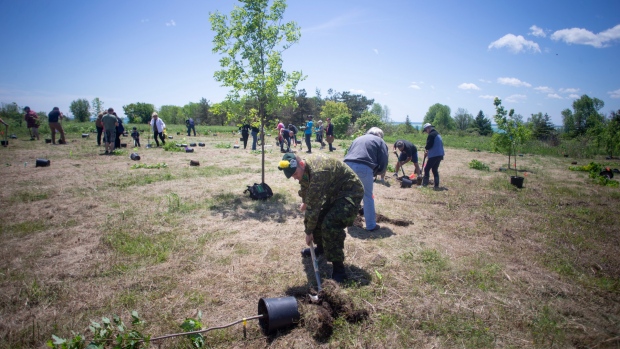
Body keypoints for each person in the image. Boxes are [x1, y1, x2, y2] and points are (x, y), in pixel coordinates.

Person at [278, 153, 364, 283]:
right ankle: (321, 248)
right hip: (335, 193)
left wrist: (308, 232)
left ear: (301, 164)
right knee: (319, 220)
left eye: (295, 174)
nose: (295, 178)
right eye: (292, 176)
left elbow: (314, 207)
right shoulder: (305, 169)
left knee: (330, 224)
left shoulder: (318, 172)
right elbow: (306, 189)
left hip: (350, 193)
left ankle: (339, 269)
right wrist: (305, 202)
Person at [343, 127, 389, 231]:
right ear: (380, 135)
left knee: (350, 195)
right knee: (367, 196)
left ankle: (348, 221)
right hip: (363, 167)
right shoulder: (380, 141)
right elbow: (384, 159)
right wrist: (378, 172)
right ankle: (371, 225)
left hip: (346, 166)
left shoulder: (358, 138)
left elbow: (349, 152)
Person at [422, 123, 445, 189]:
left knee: (426, 169)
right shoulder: (437, 134)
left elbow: (429, 145)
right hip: (440, 154)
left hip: (435, 155)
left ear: (428, 128)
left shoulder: (431, 135)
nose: (426, 132)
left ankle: (425, 184)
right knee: (434, 169)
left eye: (426, 130)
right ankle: (436, 185)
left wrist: (426, 150)